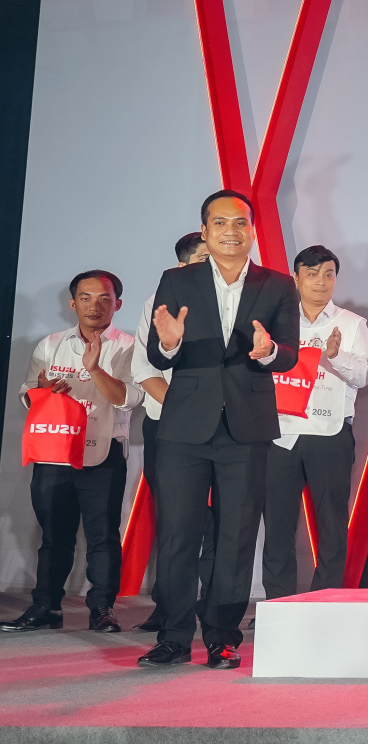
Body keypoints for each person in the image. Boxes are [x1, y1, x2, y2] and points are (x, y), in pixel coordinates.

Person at [137, 190, 298, 670]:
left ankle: (223, 637)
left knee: (236, 535)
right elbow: (157, 352)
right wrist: (169, 345)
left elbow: (289, 354)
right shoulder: (176, 280)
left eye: (241, 222)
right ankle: (173, 636)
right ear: (205, 231)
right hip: (184, 426)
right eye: (221, 222)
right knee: (179, 533)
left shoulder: (277, 284)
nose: (232, 231)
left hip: (246, 428)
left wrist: (269, 352)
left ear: (252, 230)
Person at [3, 272, 139, 635]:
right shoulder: (50, 344)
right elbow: (27, 392)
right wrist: (43, 391)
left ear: (117, 304)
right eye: (85, 297)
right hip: (55, 450)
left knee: (102, 536)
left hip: (104, 452)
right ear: (72, 303)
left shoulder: (129, 346)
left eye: (104, 298)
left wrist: (95, 370)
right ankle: (45, 607)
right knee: (53, 535)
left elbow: (129, 398)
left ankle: (102, 609)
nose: (95, 306)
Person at [262, 245, 368, 600]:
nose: (321, 282)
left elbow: (364, 377)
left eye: (328, 274)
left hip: (330, 433)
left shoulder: (352, 324)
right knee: (277, 525)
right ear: (296, 278)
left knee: (332, 524)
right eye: (312, 274)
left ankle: (325, 601)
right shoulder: (276, 321)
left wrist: (335, 356)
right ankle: (278, 602)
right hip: (280, 435)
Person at [125, 231, 210, 634]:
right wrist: (184, 412)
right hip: (169, 426)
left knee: (221, 523)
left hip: (224, 428)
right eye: (205, 258)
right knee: (175, 522)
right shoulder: (157, 304)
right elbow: (144, 368)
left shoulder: (239, 302)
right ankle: (169, 608)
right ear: (182, 267)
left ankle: (213, 606)